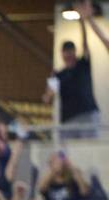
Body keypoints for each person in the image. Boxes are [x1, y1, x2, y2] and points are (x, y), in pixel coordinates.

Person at [43, 1, 108, 139]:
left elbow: (85, 44)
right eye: (65, 52)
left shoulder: (82, 64)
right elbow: (48, 97)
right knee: (67, 149)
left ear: (74, 52)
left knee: (88, 148)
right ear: (62, 54)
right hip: (68, 118)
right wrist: (50, 84)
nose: (68, 55)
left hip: (87, 113)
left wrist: (82, 22)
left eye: (70, 52)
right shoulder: (58, 74)